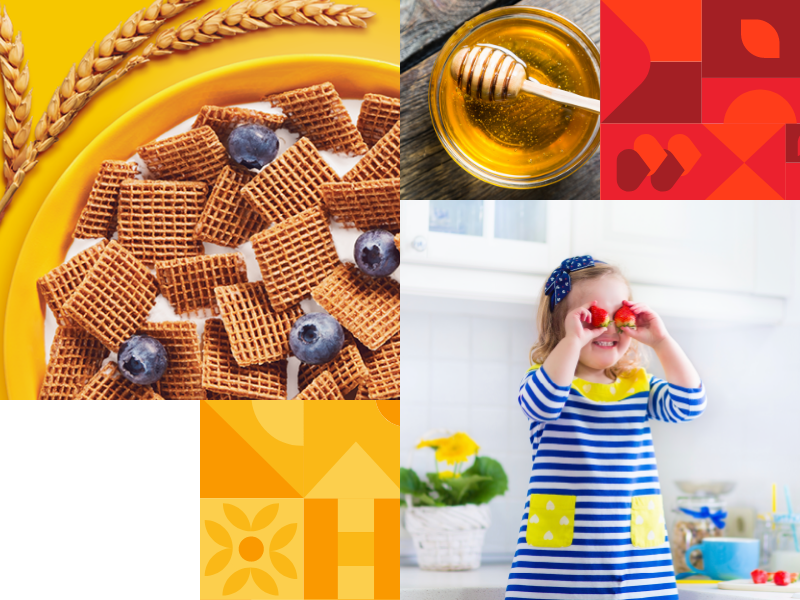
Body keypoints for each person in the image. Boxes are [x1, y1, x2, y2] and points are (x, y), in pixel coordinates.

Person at [505, 256, 706, 600]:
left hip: (638, 566)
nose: (609, 327)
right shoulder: (549, 383)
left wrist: (662, 341)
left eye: (619, 315)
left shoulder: (638, 385)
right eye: (592, 317)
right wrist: (571, 341)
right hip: (558, 568)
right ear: (560, 324)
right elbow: (544, 403)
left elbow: (689, 404)